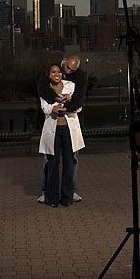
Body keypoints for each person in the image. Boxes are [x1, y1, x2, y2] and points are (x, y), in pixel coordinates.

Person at [36, 53, 88, 203]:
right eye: (67, 68)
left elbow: (78, 101)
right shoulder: (49, 75)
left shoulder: (77, 79)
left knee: (71, 160)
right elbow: (42, 91)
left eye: (73, 70)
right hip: (52, 124)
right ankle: (46, 191)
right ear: (63, 62)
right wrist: (56, 100)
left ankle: (70, 192)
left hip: (69, 123)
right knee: (50, 160)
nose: (68, 72)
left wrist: (66, 107)